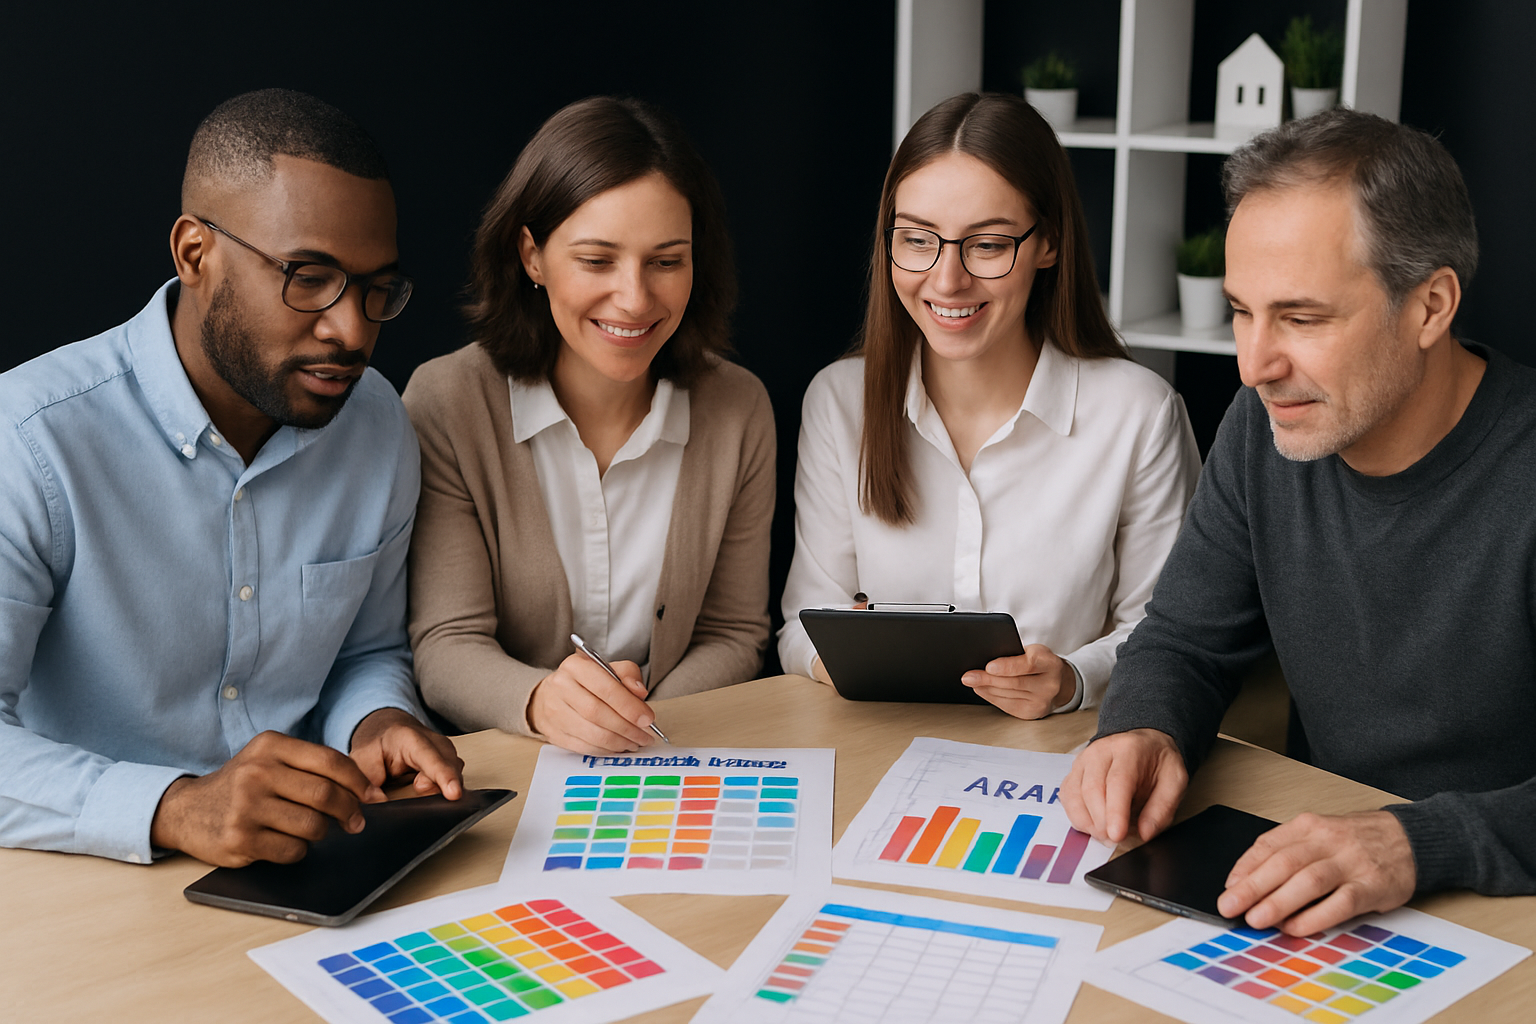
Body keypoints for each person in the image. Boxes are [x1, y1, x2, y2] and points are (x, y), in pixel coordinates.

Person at [1061, 108, 1536, 934]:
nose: (1254, 365)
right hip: (1324, 891)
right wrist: (1144, 727)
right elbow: (1186, 640)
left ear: (1431, 306)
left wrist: (1419, 842)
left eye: (1302, 318)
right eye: (1242, 310)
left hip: (1497, 906)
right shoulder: (1267, 425)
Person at [0, 89, 463, 868]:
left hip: (314, 861)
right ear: (193, 254)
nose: (352, 330)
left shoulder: (377, 421)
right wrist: (177, 806)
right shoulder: (30, 440)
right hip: (84, 885)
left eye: (376, 289)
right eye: (309, 277)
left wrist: (376, 721)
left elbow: (367, 650)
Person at [777, 92, 1200, 718]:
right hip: (883, 750)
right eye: (918, 240)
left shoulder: (1139, 414)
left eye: (988, 245)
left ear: (1048, 244)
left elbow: (1168, 635)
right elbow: (802, 628)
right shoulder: (839, 401)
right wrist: (847, 656)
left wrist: (1071, 680)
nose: (946, 281)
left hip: (1062, 762)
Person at [404, 96, 773, 756]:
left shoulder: (739, 408)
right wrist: (546, 705)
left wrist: (636, 720)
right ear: (532, 256)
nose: (635, 298)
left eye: (666, 261)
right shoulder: (447, 401)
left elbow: (734, 630)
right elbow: (447, 644)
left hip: (675, 753)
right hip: (516, 768)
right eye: (598, 260)